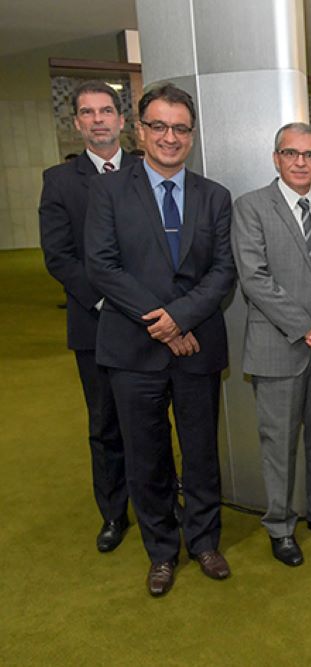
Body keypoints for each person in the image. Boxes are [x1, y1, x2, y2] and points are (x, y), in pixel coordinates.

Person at [85, 83, 235, 596]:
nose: (170, 137)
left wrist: (181, 319)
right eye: (159, 126)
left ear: (191, 136)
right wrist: (164, 322)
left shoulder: (214, 196)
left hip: (197, 345)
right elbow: (102, 267)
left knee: (200, 452)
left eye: (180, 128)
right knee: (145, 456)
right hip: (133, 349)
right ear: (140, 130)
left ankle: (205, 541)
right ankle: (162, 552)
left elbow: (222, 272)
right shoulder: (107, 191)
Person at [232, 122, 311, 567]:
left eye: (310, 155)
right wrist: (309, 327)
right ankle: (280, 527)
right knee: (279, 444)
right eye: (291, 154)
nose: (301, 162)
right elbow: (255, 279)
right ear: (276, 159)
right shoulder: (250, 208)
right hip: (280, 347)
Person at [39, 80, 137, 553]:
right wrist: (107, 301)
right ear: (77, 123)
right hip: (94, 323)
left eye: (106, 111)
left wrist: (142, 304)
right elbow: (58, 256)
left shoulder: (147, 170)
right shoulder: (59, 182)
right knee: (105, 424)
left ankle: (161, 500)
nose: (98, 119)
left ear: (121, 120)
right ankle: (114, 513)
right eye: (88, 112)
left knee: (154, 418)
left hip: (149, 322)